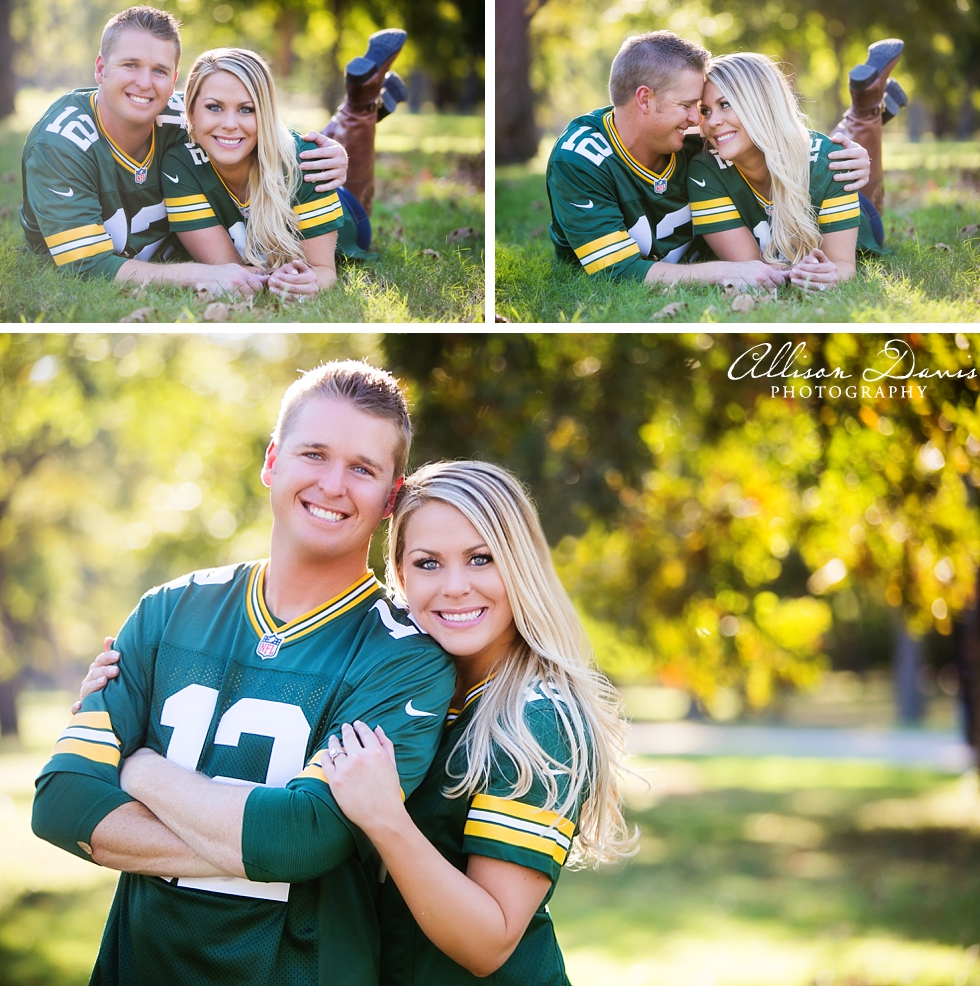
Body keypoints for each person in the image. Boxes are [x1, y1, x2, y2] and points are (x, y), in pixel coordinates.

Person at [76, 460, 637, 985]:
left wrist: (387, 821)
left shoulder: (538, 718)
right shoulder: (396, 689)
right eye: (427, 563)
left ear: (522, 566)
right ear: (399, 574)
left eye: (481, 558)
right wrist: (135, 707)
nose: (455, 585)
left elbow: (490, 942)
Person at [32, 361, 457, 986]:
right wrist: (252, 845)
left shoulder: (406, 660)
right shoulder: (168, 610)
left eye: (363, 469)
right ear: (272, 462)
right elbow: (62, 803)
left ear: (392, 500)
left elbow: (304, 837)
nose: (334, 485)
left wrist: (138, 768)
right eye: (314, 454)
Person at [19, 6, 348, 296]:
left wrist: (333, 153)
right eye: (131, 65)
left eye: (159, 70)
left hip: (281, 204)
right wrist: (204, 274)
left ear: (174, 79)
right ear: (102, 69)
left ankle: (351, 118)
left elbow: (258, 125)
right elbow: (87, 266)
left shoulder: (183, 114)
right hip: (242, 225)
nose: (145, 83)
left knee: (350, 206)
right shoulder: (59, 146)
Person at [546, 30, 871, 290]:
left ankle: (862, 117)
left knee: (866, 200)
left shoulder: (696, 140)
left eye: (701, 107)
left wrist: (848, 155)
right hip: (770, 229)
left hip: (810, 209)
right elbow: (616, 271)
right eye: (693, 106)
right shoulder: (580, 162)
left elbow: (777, 135)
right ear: (645, 99)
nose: (699, 121)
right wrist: (725, 272)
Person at [688, 51, 893, 292]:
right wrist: (799, 272)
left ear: (761, 104)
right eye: (705, 111)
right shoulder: (704, 169)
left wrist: (830, 273)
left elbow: (844, 265)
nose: (712, 122)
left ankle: (865, 113)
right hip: (799, 186)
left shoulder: (828, 161)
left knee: (844, 161)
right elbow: (753, 267)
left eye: (725, 104)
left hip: (860, 218)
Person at [163, 48, 348, 299]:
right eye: (214, 107)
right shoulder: (180, 165)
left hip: (348, 216)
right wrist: (280, 278)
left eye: (246, 109)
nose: (229, 124)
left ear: (266, 114)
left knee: (359, 198)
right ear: (192, 112)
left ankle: (355, 112)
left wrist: (310, 281)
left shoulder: (306, 163)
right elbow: (230, 271)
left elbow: (325, 270)